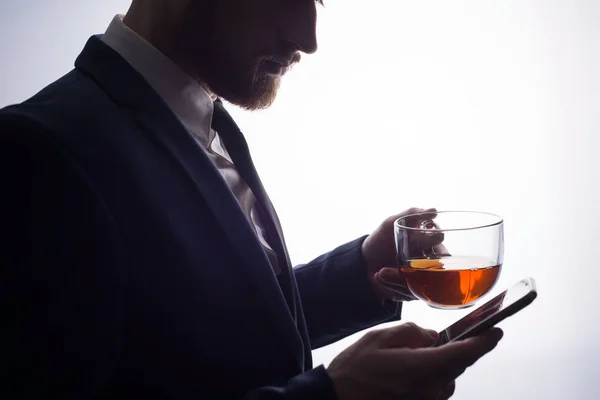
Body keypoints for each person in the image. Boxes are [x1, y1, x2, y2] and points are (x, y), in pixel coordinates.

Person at [0, 1, 503, 398]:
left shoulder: (206, 120)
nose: (307, 37)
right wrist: (333, 396)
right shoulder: (36, 151)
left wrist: (360, 272)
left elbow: (201, 334)